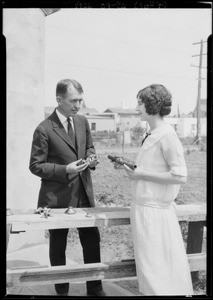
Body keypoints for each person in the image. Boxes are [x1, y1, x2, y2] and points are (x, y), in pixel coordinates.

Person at [112, 84, 193, 296]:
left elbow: (180, 176)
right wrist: (132, 167)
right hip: (143, 209)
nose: (137, 106)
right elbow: (153, 169)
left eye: (140, 102)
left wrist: (140, 175)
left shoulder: (167, 135)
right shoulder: (153, 134)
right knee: (149, 270)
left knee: (157, 271)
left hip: (155, 212)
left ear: (153, 105)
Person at [29, 79, 106, 297]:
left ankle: (95, 288)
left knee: (92, 240)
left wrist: (91, 158)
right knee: (58, 245)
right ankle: (61, 291)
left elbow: (89, 147)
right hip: (56, 198)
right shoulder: (43, 129)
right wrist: (66, 169)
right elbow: (35, 165)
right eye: (73, 100)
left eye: (81, 100)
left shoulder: (82, 121)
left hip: (83, 194)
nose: (78, 105)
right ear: (59, 99)